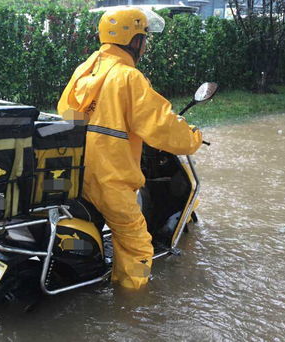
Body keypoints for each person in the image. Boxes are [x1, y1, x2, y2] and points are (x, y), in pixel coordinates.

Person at [57, 7, 203, 289]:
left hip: (80, 175)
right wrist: (193, 137)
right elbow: (161, 126)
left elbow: (66, 113)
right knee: (137, 246)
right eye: (144, 38)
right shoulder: (129, 77)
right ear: (134, 40)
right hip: (111, 182)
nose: (145, 46)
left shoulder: (85, 70)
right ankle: (131, 310)